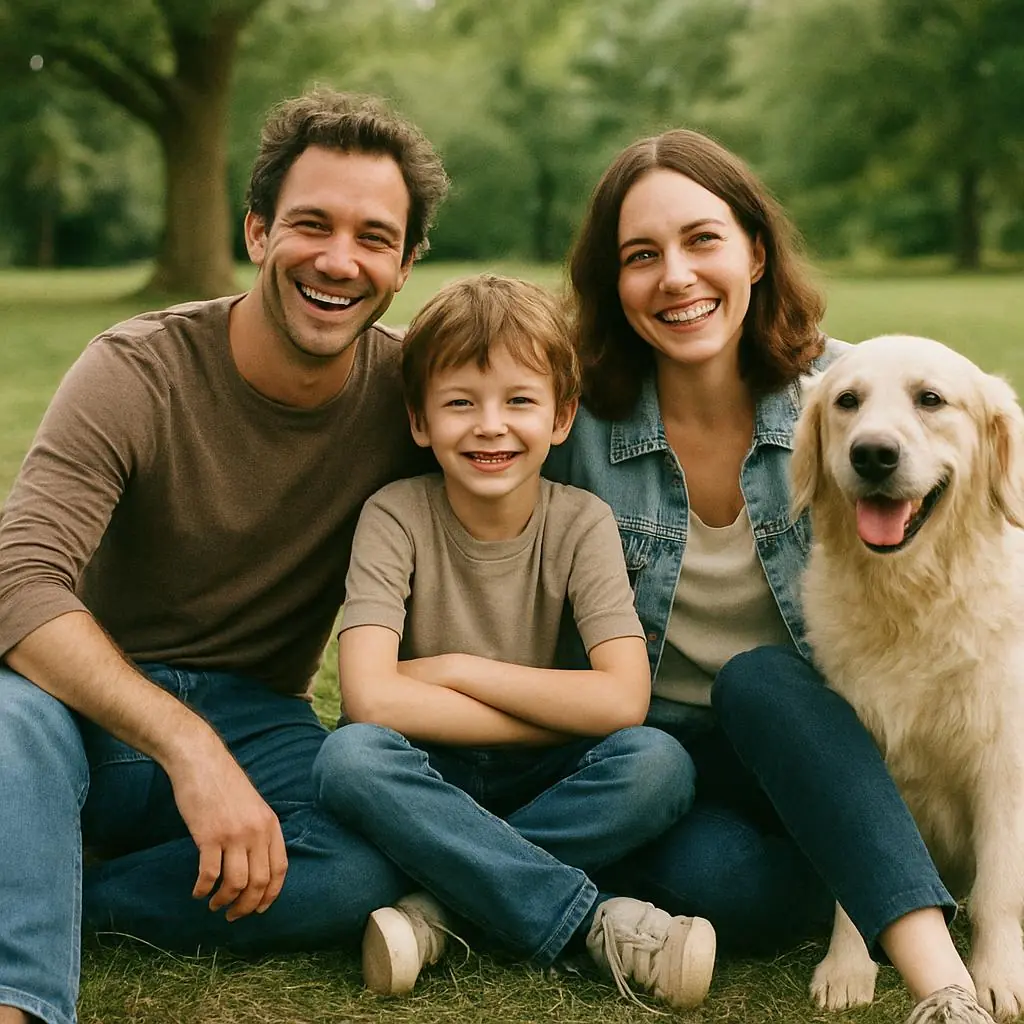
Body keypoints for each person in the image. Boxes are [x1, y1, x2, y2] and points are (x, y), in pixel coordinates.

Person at [0, 88, 449, 1024]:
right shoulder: (135, 370)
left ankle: (64, 890)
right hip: (76, 705)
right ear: (256, 231)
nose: (338, 260)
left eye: (374, 237)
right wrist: (184, 742)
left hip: (262, 719)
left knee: (358, 861)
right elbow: (20, 583)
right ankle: (24, 995)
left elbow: (557, 410)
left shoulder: (416, 396)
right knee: (9, 720)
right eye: (310, 225)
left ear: (407, 264)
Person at [543, 128, 996, 1023]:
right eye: (641, 255)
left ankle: (942, 983)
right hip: (659, 753)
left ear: (754, 249)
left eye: (702, 240)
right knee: (723, 883)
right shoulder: (574, 422)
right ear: (614, 282)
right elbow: (452, 373)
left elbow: (976, 465)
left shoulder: (856, 393)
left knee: (759, 679)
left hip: (809, 737)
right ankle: (854, 868)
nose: (675, 276)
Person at [310, 273, 716, 1010]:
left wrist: (459, 669)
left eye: (518, 401)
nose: (490, 425)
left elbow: (625, 699)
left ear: (562, 418)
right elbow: (369, 699)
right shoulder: (394, 516)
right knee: (348, 759)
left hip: (549, 773)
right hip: (427, 771)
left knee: (658, 762)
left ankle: (438, 909)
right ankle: (591, 920)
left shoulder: (581, 522)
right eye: (460, 402)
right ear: (420, 421)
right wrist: (563, 707)